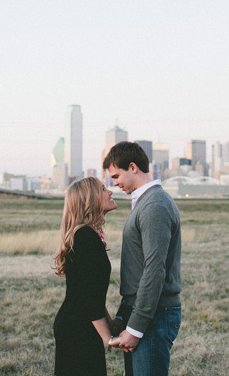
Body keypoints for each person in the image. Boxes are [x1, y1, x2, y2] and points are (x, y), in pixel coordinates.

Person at [103, 141, 182, 376]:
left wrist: (136, 327)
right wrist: (123, 315)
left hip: (154, 314)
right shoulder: (144, 202)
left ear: (133, 167)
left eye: (116, 176)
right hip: (144, 311)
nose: (114, 184)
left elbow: (154, 269)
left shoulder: (155, 205)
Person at [53, 176, 122, 375]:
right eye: (102, 189)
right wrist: (108, 338)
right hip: (77, 328)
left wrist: (110, 323)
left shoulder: (85, 235)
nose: (110, 191)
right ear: (89, 200)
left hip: (81, 323)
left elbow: (92, 292)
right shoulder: (85, 238)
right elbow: (88, 297)